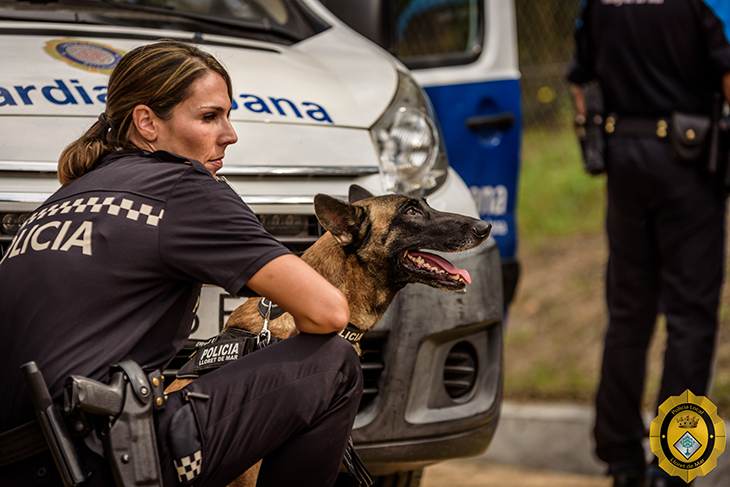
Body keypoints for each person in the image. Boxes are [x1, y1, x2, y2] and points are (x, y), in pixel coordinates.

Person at [0, 40, 362, 487]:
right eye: (210, 117)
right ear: (147, 122)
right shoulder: (184, 186)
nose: (230, 134)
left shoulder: (65, 196)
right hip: (99, 461)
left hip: (20, 463)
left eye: (228, 116)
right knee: (331, 363)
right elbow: (327, 312)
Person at [568, 2, 730, 487]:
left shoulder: (597, 2)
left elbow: (580, 83)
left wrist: (600, 140)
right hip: (690, 166)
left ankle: (621, 459)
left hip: (625, 164)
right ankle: (675, 463)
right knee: (690, 317)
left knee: (629, 314)